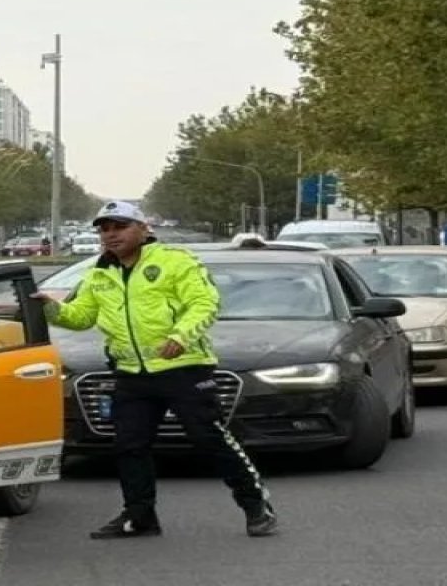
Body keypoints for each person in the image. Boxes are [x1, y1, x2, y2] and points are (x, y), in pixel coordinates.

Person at [33, 201, 277, 539]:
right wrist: (51, 309)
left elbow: (205, 304)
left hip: (184, 368)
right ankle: (140, 516)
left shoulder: (175, 261)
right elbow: (81, 317)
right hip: (131, 373)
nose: (111, 235)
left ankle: (255, 505)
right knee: (129, 446)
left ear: (143, 229)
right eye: (104, 229)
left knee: (209, 438)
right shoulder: (100, 273)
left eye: (119, 226)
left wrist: (180, 336)